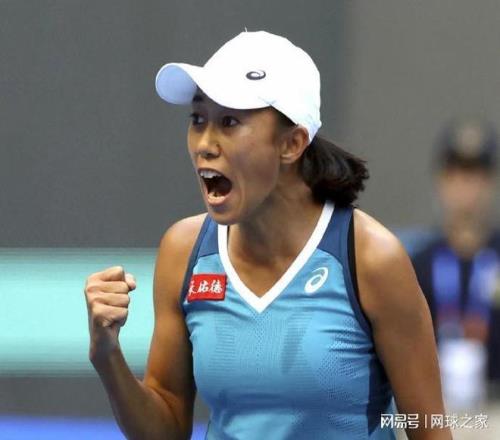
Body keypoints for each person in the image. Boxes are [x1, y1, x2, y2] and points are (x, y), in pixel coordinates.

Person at [84, 31, 450, 439]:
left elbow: (431, 429)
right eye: (198, 119)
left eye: (229, 122)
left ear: (292, 143)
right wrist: (107, 356)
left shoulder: (371, 258)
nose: (204, 144)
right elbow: (166, 428)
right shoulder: (183, 251)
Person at [412, 118, 500, 408]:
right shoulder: (417, 265)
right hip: (434, 411)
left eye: (476, 174)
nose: (466, 187)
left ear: (491, 182)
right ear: (441, 181)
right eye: (457, 174)